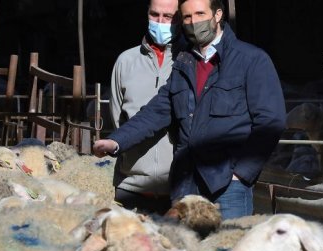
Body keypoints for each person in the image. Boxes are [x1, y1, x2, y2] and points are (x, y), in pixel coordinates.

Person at [94, 0, 286, 220]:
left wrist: (241, 174)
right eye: (187, 17)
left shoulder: (250, 60)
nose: (194, 22)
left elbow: (271, 121)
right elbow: (156, 111)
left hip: (227, 189)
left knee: (225, 249)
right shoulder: (185, 62)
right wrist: (116, 141)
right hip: (186, 186)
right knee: (186, 250)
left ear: (217, 15)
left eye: (200, 14)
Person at [108, 0, 183, 215]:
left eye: (168, 17)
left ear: (179, 19)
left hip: (179, 189)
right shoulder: (126, 61)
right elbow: (116, 116)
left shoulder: (189, 61)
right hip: (131, 187)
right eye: (154, 15)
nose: (160, 22)